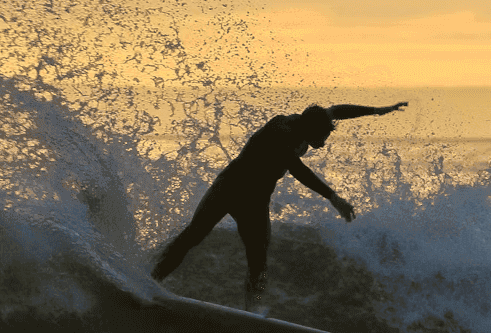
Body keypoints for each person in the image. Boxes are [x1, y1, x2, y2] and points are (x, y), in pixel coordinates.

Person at [151, 101, 408, 310]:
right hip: (230, 187)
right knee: (193, 235)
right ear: (309, 129)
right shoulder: (281, 128)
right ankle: (152, 279)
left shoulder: (312, 119)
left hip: (256, 199)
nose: (324, 142)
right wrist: (333, 197)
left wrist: (377, 111)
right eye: (322, 136)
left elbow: (338, 110)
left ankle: (252, 308)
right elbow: (296, 167)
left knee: (259, 259)